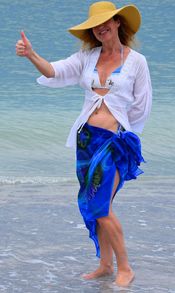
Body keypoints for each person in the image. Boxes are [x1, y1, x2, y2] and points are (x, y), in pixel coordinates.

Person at [16, 1, 152, 287]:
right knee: (94, 204)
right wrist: (31, 55)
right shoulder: (87, 58)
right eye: (96, 25)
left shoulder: (137, 61)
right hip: (86, 140)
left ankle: (125, 268)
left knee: (101, 205)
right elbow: (54, 71)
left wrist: (127, 136)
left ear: (117, 23)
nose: (101, 27)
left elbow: (142, 106)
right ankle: (105, 265)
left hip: (114, 143)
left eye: (107, 22)